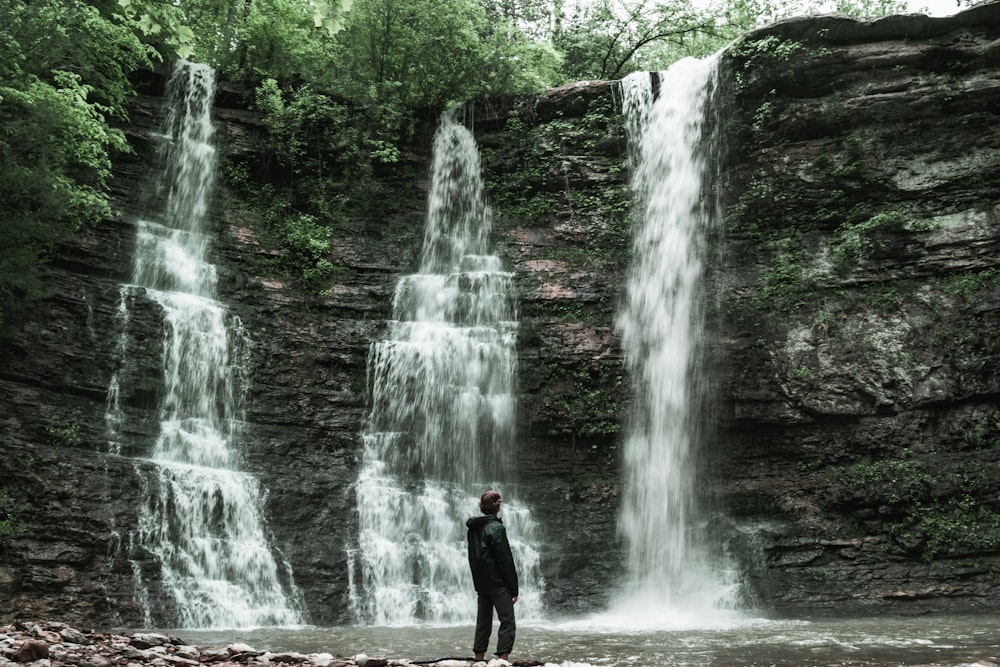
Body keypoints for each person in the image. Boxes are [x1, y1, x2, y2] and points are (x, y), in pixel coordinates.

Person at [466, 489, 519, 663]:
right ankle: (503, 659)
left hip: (482, 583)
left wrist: (477, 581)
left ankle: (478, 658)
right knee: (507, 621)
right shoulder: (496, 528)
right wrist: (513, 587)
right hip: (498, 583)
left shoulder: (473, 529)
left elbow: (474, 556)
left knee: (483, 621)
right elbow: (504, 559)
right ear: (497, 506)